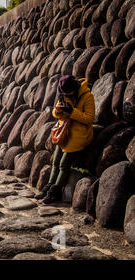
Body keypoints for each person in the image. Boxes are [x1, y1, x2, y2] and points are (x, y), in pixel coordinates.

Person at [35, 75, 95, 204]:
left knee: (63, 165)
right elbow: (55, 114)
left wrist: (72, 111)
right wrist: (58, 111)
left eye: (68, 92)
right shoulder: (64, 94)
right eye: (64, 93)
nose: (66, 94)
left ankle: (54, 193)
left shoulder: (87, 96)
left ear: (74, 89)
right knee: (55, 162)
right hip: (64, 133)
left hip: (78, 135)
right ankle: (49, 187)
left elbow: (89, 118)